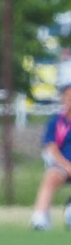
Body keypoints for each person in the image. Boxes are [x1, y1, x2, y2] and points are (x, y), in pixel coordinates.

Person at [30, 83, 71, 230]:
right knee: (51, 176)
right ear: (64, 100)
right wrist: (67, 166)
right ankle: (40, 219)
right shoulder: (57, 122)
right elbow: (51, 147)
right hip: (64, 165)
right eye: (68, 97)